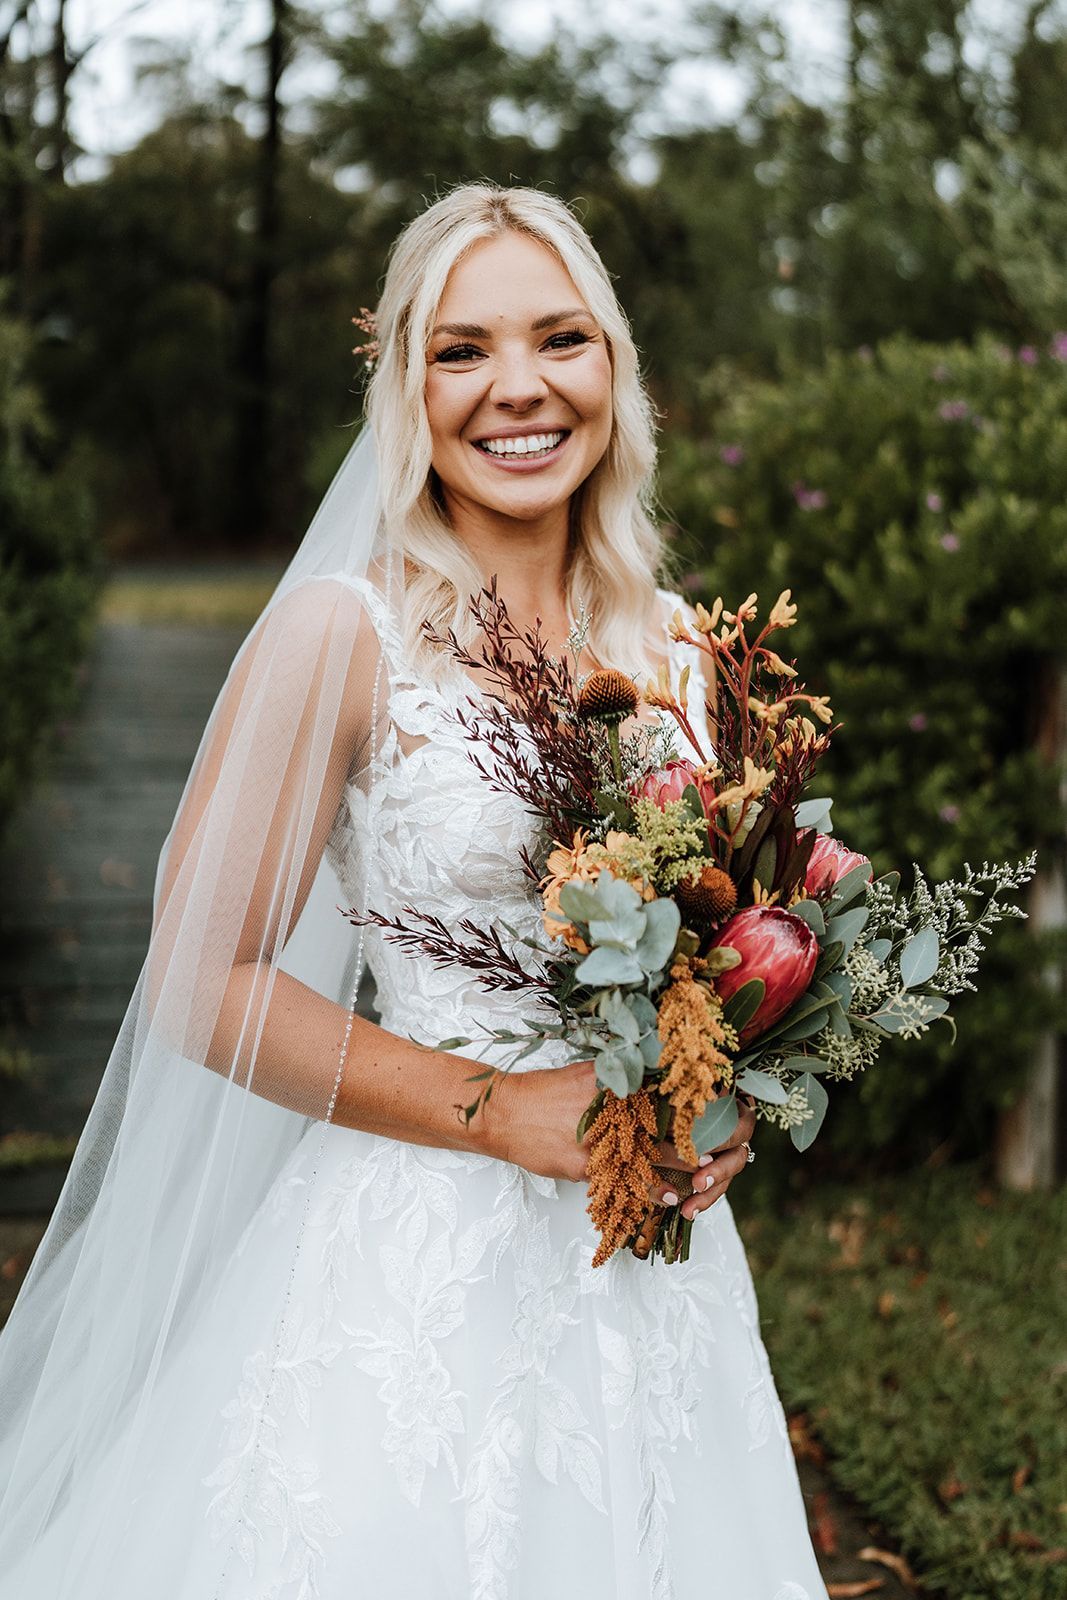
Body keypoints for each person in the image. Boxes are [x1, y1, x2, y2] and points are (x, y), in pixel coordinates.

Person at [0, 181, 830, 1599]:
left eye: (560, 338)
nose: (519, 387)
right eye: (462, 349)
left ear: (615, 369)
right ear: (407, 386)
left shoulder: (696, 653)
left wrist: (720, 1099)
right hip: (403, 1275)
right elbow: (205, 985)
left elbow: (733, 940)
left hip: (651, 1271)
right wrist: (499, 1110)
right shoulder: (345, 635)